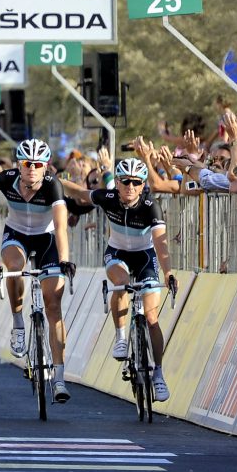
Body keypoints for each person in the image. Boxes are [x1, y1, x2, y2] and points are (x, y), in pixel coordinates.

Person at [0, 138, 75, 403]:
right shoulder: (6, 179)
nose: (31, 168)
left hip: (47, 241)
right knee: (13, 267)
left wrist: (65, 258)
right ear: (18, 165)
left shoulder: (52, 185)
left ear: (45, 166)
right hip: (17, 236)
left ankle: (59, 377)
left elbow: (60, 226)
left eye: (37, 164)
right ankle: (19, 322)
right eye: (26, 163)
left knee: (53, 304)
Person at [60, 158, 175, 401]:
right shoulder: (107, 198)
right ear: (118, 183)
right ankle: (121, 337)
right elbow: (80, 193)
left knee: (152, 318)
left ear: (143, 184)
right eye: (125, 181)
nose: (130, 186)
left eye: (136, 182)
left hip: (145, 256)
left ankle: (159, 374)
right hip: (117, 253)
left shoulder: (150, 206)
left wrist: (168, 273)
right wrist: (51, 180)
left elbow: (161, 245)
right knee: (121, 284)